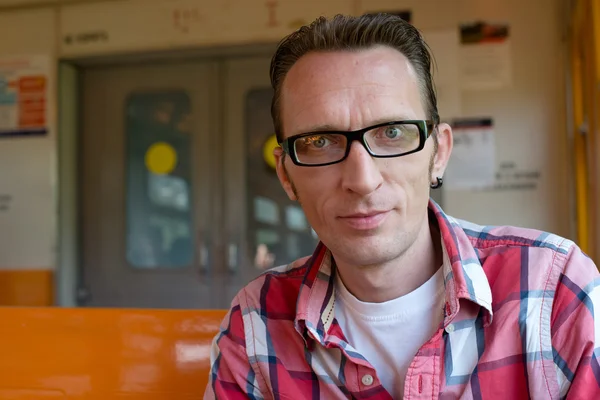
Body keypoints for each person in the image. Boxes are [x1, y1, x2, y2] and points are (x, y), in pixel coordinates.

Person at [205, 13, 600, 399]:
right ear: (287, 175)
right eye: (320, 142)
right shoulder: (255, 327)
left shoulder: (555, 293)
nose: (362, 180)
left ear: (439, 152)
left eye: (392, 133)